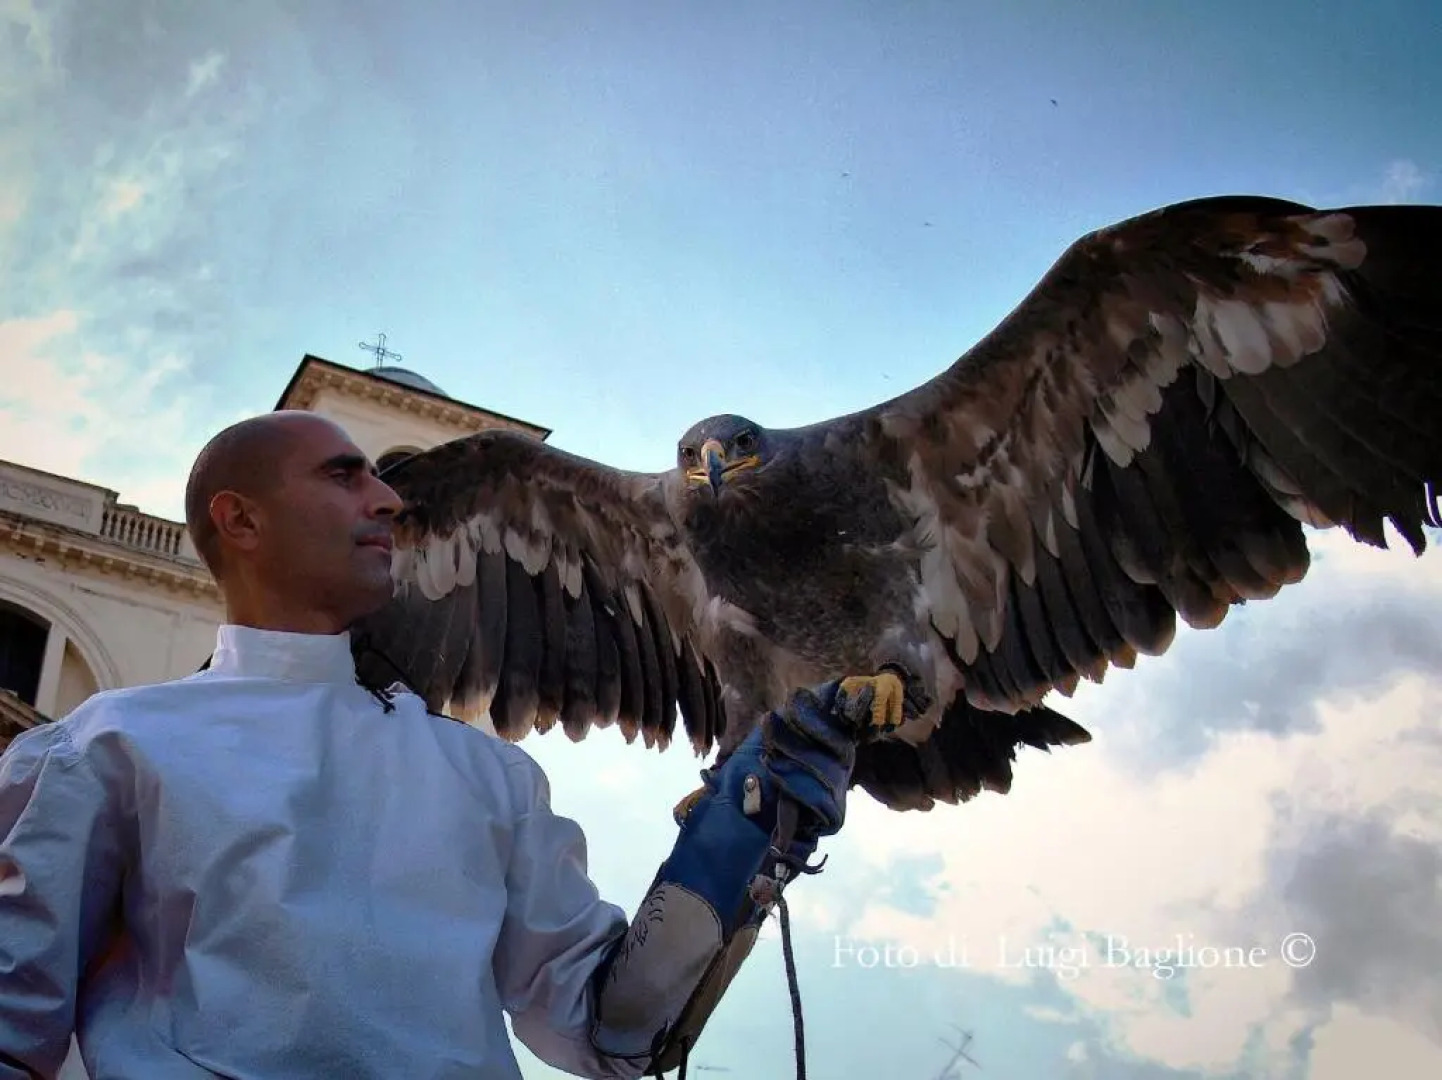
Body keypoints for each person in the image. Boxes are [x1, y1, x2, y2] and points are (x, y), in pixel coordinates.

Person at [0, 411, 925, 1079]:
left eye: (381, 475)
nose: (392, 499)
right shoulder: (107, 748)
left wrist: (741, 844)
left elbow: (614, 1031)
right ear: (240, 521)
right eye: (344, 475)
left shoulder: (491, 780)